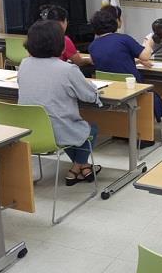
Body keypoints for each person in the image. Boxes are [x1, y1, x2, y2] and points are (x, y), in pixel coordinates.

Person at [18, 20, 102, 185]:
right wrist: (91, 86)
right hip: (57, 132)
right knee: (91, 129)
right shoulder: (67, 69)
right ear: (59, 43)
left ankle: (82, 168)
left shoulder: (24, 64)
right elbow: (89, 96)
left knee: (66, 127)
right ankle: (77, 167)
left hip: (31, 133)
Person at [88, 8, 162, 121]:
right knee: (152, 96)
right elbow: (146, 56)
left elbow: (110, 60)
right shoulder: (124, 39)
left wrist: (136, 60)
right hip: (132, 88)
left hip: (110, 89)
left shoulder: (92, 46)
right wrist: (148, 43)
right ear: (114, 22)